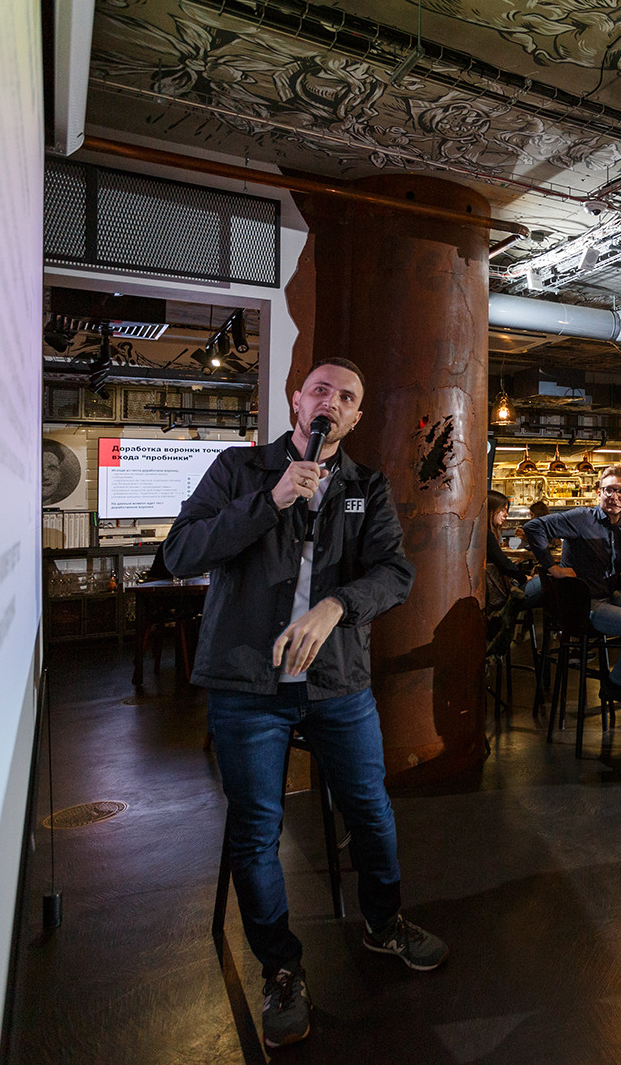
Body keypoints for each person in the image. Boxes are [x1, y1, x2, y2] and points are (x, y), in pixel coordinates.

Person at [163, 358, 441, 1050]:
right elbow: (181, 550)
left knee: (371, 808)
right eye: (322, 389)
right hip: (247, 684)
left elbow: (394, 572)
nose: (333, 402)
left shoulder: (365, 487)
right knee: (257, 828)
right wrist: (275, 499)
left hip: (336, 682)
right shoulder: (240, 470)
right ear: (297, 400)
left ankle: (382, 922)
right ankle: (281, 967)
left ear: (354, 418)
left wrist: (337, 605)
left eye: (348, 396)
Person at [523, 464, 621, 704]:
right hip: (583, 606)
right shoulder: (581, 517)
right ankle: (615, 684)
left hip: (608, 597)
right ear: (599, 493)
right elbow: (533, 526)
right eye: (608, 490)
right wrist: (551, 567)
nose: (614, 496)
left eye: (620, 491)